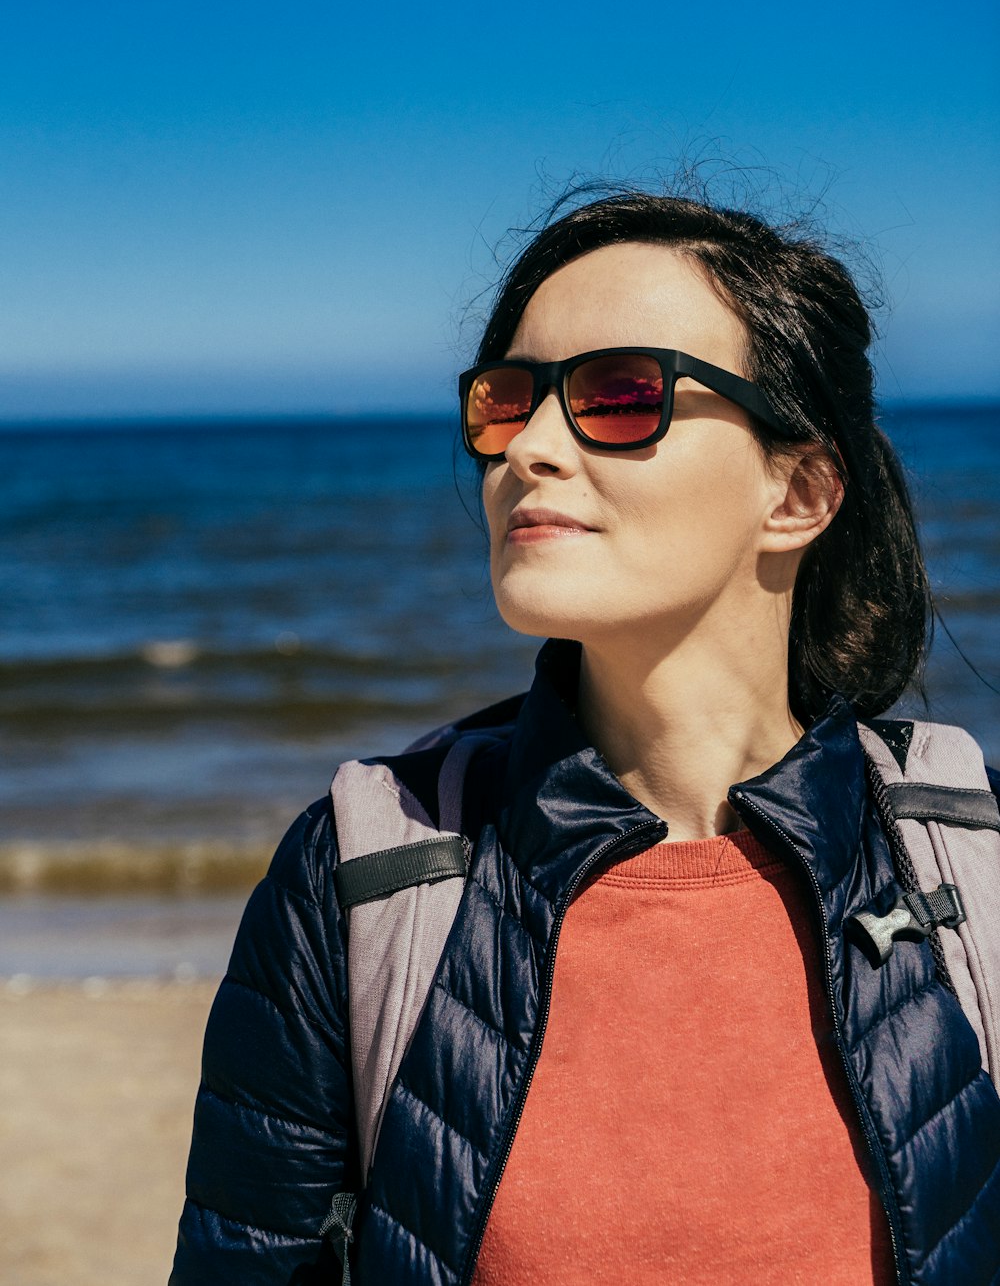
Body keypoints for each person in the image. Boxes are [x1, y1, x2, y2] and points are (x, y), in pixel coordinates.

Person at [169, 187, 1000, 1286]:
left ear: (797, 491)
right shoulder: (364, 871)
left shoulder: (972, 862)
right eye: (507, 404)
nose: (529, 449)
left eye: (619, 394)